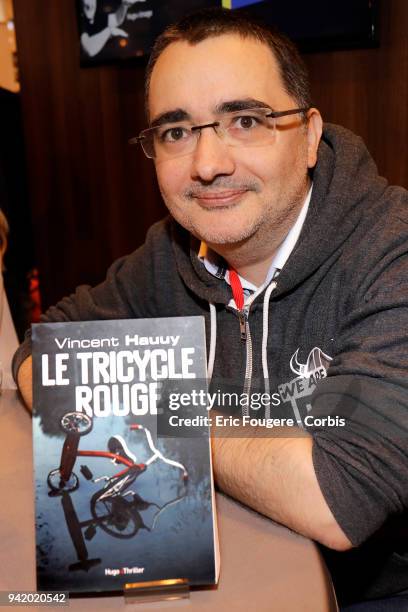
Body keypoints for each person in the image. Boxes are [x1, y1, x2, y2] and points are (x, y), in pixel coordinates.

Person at [13, 8, 408, 609]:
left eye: (244, 120)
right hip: (221, 563)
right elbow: (45, 350)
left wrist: (153, 422)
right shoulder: (171, 252)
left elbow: (339, 496)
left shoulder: (392, 251)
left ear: (308, 135)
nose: (207, 165)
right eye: (176, 132)